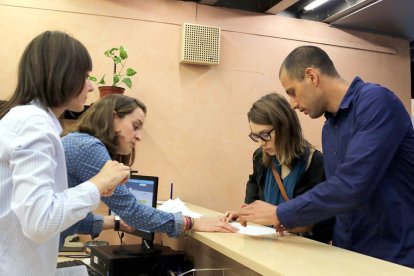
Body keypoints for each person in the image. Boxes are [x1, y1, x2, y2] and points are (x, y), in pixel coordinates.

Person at [239, 45, 414, 268]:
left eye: (292, 91)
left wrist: (281, 213)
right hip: (346, 254)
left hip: (392, 257)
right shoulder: (329, 128)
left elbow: (351, 186)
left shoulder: (376, 103)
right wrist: (296, 222)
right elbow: (336, 199)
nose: (292, 103)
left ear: (312, 76)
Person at [0, 31, 131, 276]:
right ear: (63, 75)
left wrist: (97, 188)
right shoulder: (34, 124)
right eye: (85, 76)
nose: (91, 86)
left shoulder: (26, 119)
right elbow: (40, 221)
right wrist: (97, 183)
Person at [60, 94, 238, 245]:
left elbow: (70, 221)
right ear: (113, 118)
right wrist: (190, 222)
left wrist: (116, 222)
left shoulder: (78, 141)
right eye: (135, 126)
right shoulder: (88, 147)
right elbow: (133, 211)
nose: (139, 136)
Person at [222, 93, 333, 243]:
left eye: (265, 135)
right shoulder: (260, 158)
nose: (261, 143)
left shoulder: (315, 163)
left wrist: (287, 221)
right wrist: (244, 215)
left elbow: (320, 220)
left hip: (302, 253)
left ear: (284, 127)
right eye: (256, 136)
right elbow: (254, 202)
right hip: (267, 248)